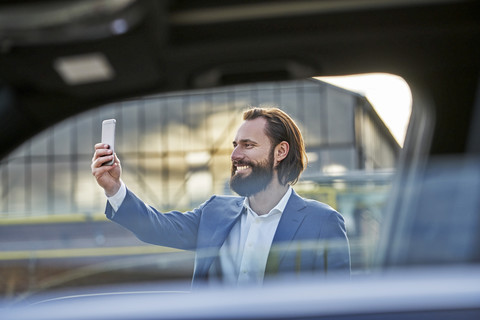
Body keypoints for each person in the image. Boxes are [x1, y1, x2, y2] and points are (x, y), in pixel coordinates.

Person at [91, 107, 350, 288]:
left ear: (281, 151)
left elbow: (341, 305)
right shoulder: (214, 212)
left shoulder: (323, 222)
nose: (235, 155)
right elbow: (156, 228)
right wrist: (114, 188)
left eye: (248, 145)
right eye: (235, 145)